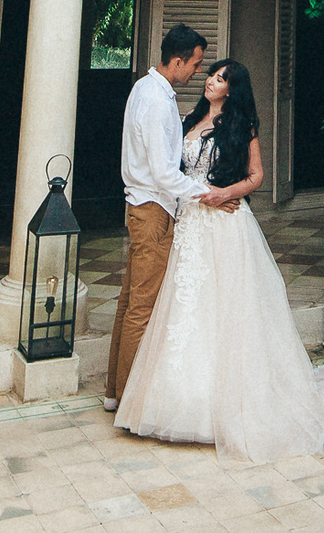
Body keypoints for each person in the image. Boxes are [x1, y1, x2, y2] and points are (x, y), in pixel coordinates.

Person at [114, 58, 324, 463]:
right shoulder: (188, 118)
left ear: (232, 89)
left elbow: (256, 176)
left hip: (225, 223)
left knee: (227, 308)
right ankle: (175, 400)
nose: (210, 81)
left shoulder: (243, 126)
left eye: (220, 79)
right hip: (188, 224)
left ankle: (230, 402)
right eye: (210, 74)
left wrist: (226, 193)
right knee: (184, 307)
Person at [107, 24, 219, 410]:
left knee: (129, 300)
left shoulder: (147, 88)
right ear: (177, 60)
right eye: (195, 64)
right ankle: (129, 398)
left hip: (144, 206)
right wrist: (208, 194)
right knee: (143, 305)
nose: (196, 72)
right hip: (152, 210)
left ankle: (114, 391)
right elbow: (163, 173)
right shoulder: (155, 100)